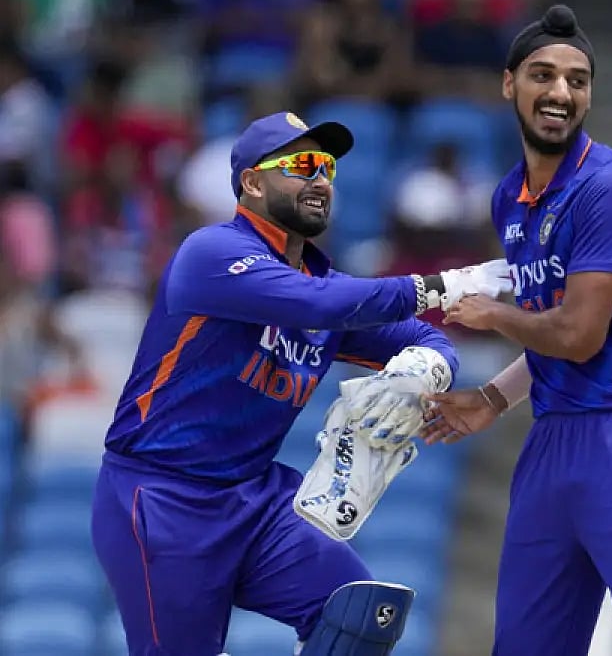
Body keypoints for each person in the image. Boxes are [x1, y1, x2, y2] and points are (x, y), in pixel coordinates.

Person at [90, 110, 509, 655]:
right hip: (164, 498)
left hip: (254, 498)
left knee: (360, 615)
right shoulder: (211, 254)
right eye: (302, 164)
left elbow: (422, 338)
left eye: (328, 168)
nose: (319, 179)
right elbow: (319, 303)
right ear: (253, 182)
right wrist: (445, 285)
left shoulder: (324, 286)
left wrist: (428, 367)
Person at [417, 5, 612, 656]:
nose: (560, 91)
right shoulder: (508, 197)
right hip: (552, 439)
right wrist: (492, 397)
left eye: (577, 80)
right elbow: (549, 329)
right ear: (508, 83)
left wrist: (492, 314)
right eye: (543, 74)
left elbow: (578, 334)